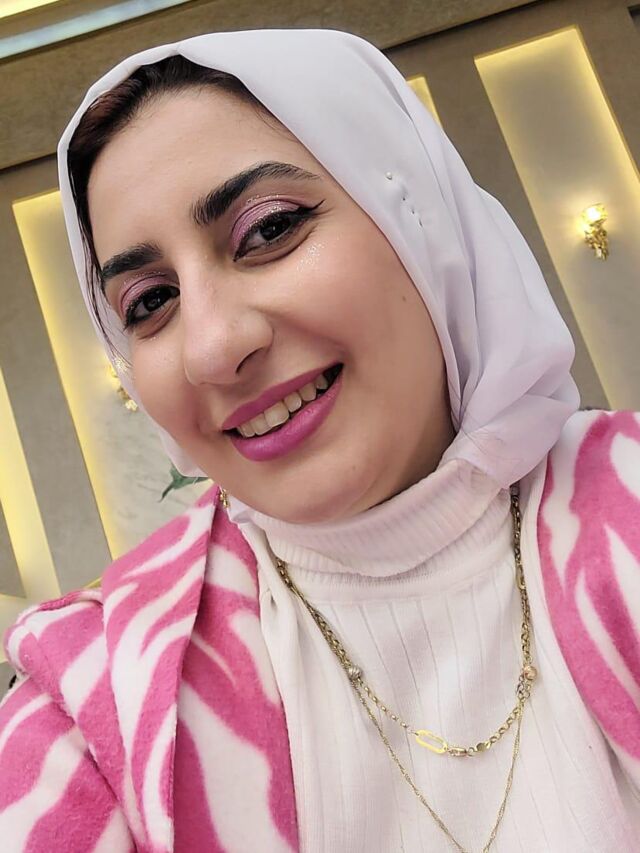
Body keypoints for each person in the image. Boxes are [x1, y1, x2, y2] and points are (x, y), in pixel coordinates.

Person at [0, 28, 638, 853]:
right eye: (150, 302)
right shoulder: (101, 696)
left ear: (418, 220)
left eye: (269, 230)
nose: (212, 348)